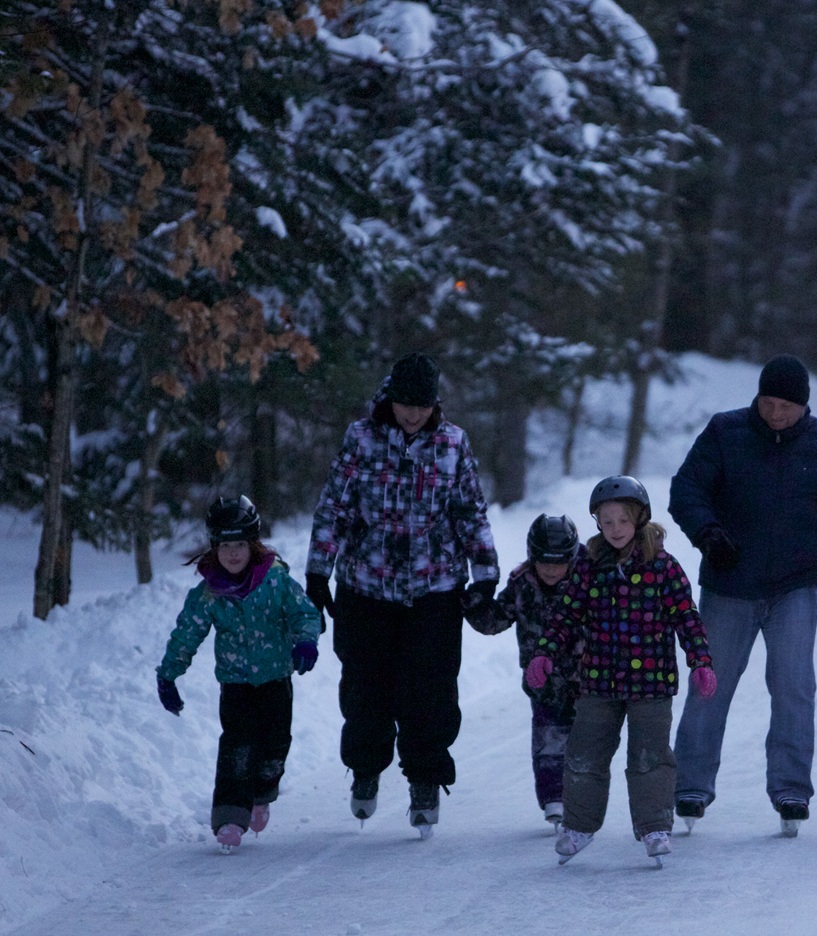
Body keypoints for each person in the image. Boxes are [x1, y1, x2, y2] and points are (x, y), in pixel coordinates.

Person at [669, 353, 817, 835]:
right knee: (709, 685)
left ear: (803, 406)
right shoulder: (726, 432)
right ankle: (690, 784)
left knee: (793, 687)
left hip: (794, 587)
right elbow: (686, 490)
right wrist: (708, 533)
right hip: (729, 585)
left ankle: (790, 789)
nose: (775, 414)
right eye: (768, 402)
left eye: (786, 406)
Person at [305, 351, 499, 838]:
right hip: (366, 586)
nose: (413, 414)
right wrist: (317, 573)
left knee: (429, 689)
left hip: (433, 587)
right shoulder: (361, 438)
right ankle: (366, 766)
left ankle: (426, 779)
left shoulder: (452, 444)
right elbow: (334, 507)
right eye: (404, 404)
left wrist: (485, 573)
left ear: (435, 404)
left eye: (422, 405)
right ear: (390, 399)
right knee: (366, 686)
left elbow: (471, 511)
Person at [526, 476, 715, 865]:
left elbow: (687, 617)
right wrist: (544, 653)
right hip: (598, 680)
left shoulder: (662, 566)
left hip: (651, 683)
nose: (615, 529)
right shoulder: (589, 566)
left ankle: (654, 828)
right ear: (596, 522)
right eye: (606, 521)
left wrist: (700, 661)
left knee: (649, 757)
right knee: (584, 754)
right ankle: (578, 826)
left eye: (623, 521)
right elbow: (564, 615)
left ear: (640, 519)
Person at [156, 496, 321, 853]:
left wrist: (306, 642)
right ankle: (230, 816)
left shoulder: (275, 582)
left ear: (253, 544)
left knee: (274, 745)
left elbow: (304, 613)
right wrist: (169, 675)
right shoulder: (209, 594)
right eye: (225, 545)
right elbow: (187, 634)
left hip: (276, 678)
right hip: (235, 684)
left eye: (240, 545)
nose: (233, 553)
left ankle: (261, 794)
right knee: (236, 747)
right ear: (215, 548)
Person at [463, 513, 585, 828]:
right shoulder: (522, 585)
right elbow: (496, 621)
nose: (551, 570)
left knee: (586, 744)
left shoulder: (588, 581)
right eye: (544, 563)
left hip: (586, 681)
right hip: (542, 683)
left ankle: (585, 800)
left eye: (558, 563)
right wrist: (475, 605)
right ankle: (553, 799)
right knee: (547, 742)